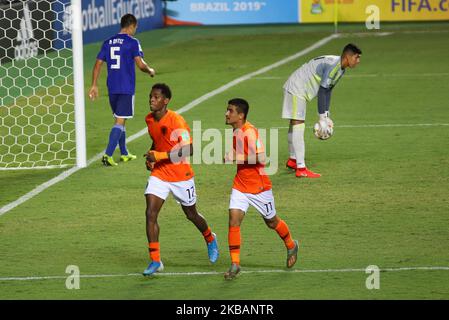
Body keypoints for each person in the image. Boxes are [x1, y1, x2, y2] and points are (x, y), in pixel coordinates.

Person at [142, 83, 219, 276]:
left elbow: (188, 150)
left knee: (191, 214)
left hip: (180, 175)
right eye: (151, 96)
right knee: (150, 213)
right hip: (160, 174)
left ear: (166, 101)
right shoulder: (149, 119)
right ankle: (155, 260)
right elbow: (157, 141)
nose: (152, 99)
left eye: (156, 97)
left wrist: (158, 156)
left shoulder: (177, 121)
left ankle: (210, 238)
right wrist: (152, 157)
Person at [223, 98, 299, 280]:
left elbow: (261, 157)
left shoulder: (250, 132)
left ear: (240, 115)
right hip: (241, 185)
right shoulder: (236, 131)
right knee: (234, 220)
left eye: (230, 111)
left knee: (271, 222)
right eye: (227, 110)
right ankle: (235, 264)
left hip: (259, 187)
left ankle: (291, 245)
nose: (226, 114)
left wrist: (236, 157)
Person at [282, 43, 362, 178]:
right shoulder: (334, 66)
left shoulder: (341, 69)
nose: (358, 61)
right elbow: (322, 91)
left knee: (294, 123)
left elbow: (328, 90)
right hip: (297, 88)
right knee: (298, 124)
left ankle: (293, 160)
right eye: (356, 57)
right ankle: (301, 168)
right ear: (348, 57)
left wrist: (326, 114)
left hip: (299, 88)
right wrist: (321, 117)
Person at [88, 13, 156, 166]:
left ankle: (124, 152)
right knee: (120, 121)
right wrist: (150, 70)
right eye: (135, 28)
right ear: (131, 26)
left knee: (120, 118)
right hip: (126, 87)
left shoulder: (107, 42)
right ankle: (108, 155)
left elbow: (98, 64)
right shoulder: (133, 42)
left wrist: (94, 85)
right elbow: (140, 64)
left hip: (112, 87)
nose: (135, 30)